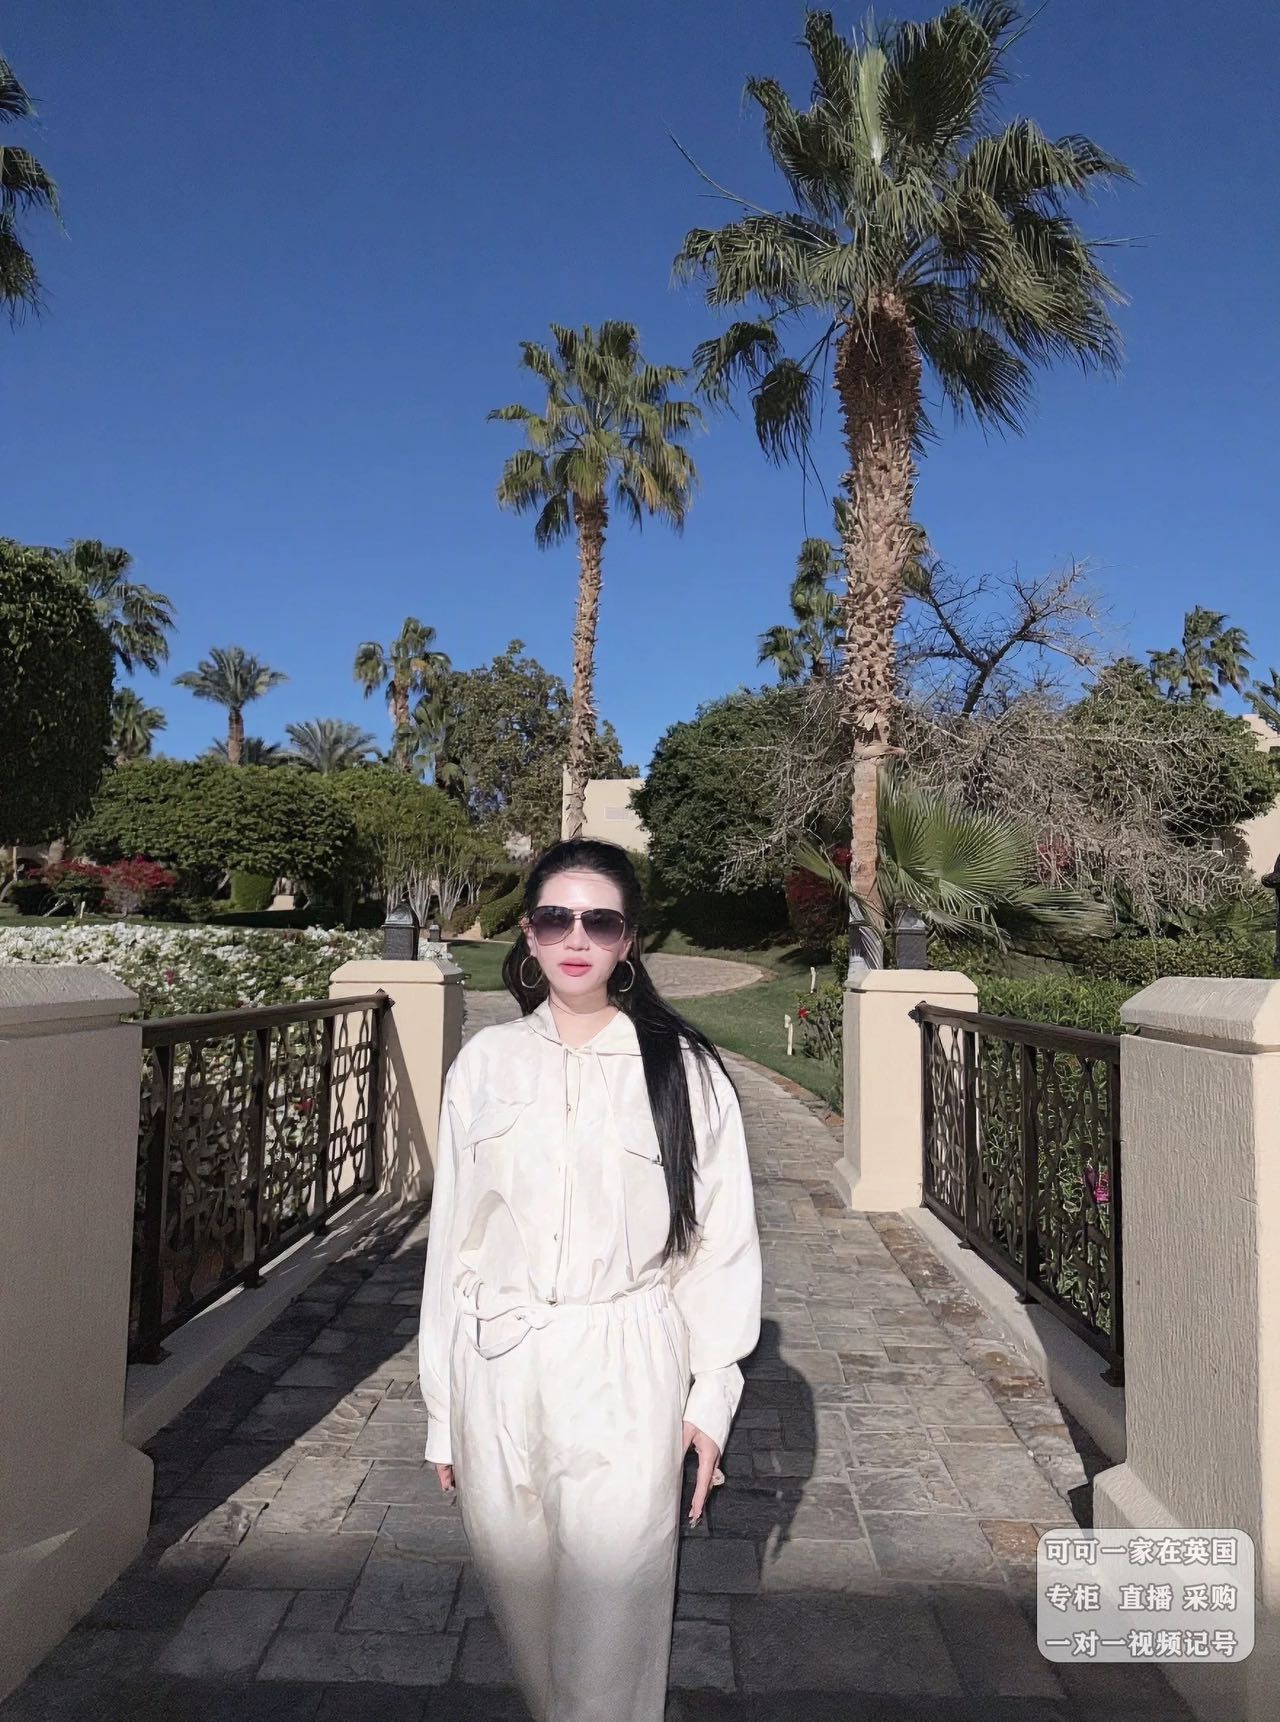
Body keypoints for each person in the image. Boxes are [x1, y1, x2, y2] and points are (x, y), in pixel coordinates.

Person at [417, 837, 762, 1722]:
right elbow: (453, 1244)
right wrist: (443, 1413)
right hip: (498, 1363)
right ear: (529, 934)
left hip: (623, 1366)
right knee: (527, 1621)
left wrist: (712, 1395)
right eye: (556, 918)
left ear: (629, 940)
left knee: (611, 1634)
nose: (577, 938)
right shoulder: (486, 1064)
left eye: (600, 921)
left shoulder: (685, 1072)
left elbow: (720, 1245)